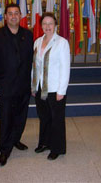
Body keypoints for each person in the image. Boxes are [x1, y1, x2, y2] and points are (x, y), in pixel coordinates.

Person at [0, 4, 33, 167]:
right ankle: (4, 150)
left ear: (20, 16)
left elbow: (31, 62)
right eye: (10, 14)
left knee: (21, 117)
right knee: (6, 118)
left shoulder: (28, 35)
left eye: (16, 13)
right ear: (5, 17)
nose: (13, 16)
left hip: (23, 85)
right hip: (5, 85)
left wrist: (33, 83)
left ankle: (15, 140)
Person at [32, 12, 70, 160]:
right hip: (41, 86)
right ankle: (45, 142)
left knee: (57, 119)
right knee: (44, 117)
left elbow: (65, 68)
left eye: (50, 23)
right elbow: (35, 65)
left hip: (55, 88)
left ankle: (58, 148)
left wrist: (62, 91)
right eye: (44, 23)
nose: (47, 26)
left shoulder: (62, 43)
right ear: (41, 26)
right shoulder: (37, 42)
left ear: (55, 25)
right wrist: (33, 85)